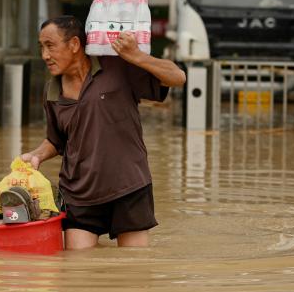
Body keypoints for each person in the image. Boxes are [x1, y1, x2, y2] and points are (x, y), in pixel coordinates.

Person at [21, 15, 186, 250]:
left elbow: (178, 77)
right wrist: (35, 156)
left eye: (50, 46)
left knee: (134, 270)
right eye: (42, 48)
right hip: (79, 194)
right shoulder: (52, 91)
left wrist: (137, 56)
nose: (45, 55)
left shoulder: (117, 68)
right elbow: (56, 141)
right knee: (78, 269)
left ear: (75, 44)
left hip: (129, 187)